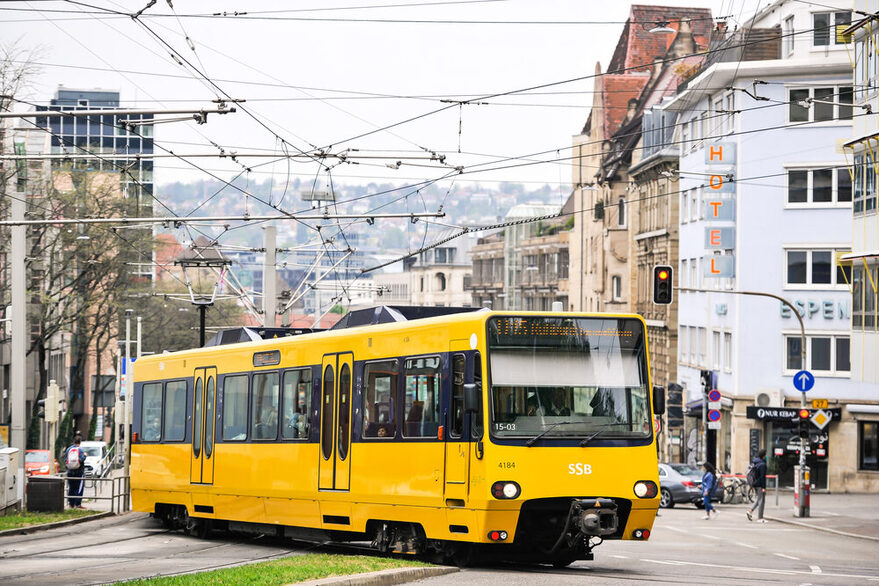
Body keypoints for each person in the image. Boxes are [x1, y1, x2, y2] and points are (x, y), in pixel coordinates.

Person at [65, 434, 87, 509]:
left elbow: (66, 460)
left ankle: (71, 503)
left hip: (70, 471)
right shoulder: (80, 450)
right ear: (80, 442)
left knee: (71, 487)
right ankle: (77, 504)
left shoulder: (68, 449)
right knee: (79, 488)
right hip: (79, 472)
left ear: (73, 441)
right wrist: (85, 455)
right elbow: (81, 459)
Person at [746, 449, 768, 523]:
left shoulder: (755, 462)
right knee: (761, 500)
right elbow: (762, 477)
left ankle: (750, 511)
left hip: (755, 483)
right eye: (765, 454)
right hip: (759, 485)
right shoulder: (762, 464)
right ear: (764, 455)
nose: (766, 456)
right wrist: (764, 487)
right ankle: (760, 518)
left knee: (759, 499)